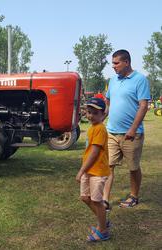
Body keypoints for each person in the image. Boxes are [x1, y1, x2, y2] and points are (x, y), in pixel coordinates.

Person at [103, 49, 150, 209]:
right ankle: (104, 200)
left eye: (116, 63)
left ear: (126, 62)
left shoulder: (140, 79)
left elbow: (143, 106)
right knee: (109, 165)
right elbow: (108, 103)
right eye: (113, 63)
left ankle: (134, 196)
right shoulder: (113, 80)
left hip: (132, 134)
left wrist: (133, 129)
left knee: (133, 167)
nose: (113, 66)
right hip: (112, 132)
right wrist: (99, 120)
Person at [76, 98, 111, 242]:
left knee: (97, 202)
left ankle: (103, 231)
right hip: (89, 170)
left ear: (103, 114)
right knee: (85, 198)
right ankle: (103, 221)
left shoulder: (100, 129)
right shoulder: (92, 128)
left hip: (97, 171)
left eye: (95, 113)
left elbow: (94, 153)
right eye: (89, 112)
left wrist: (81, 170)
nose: (90, 116)